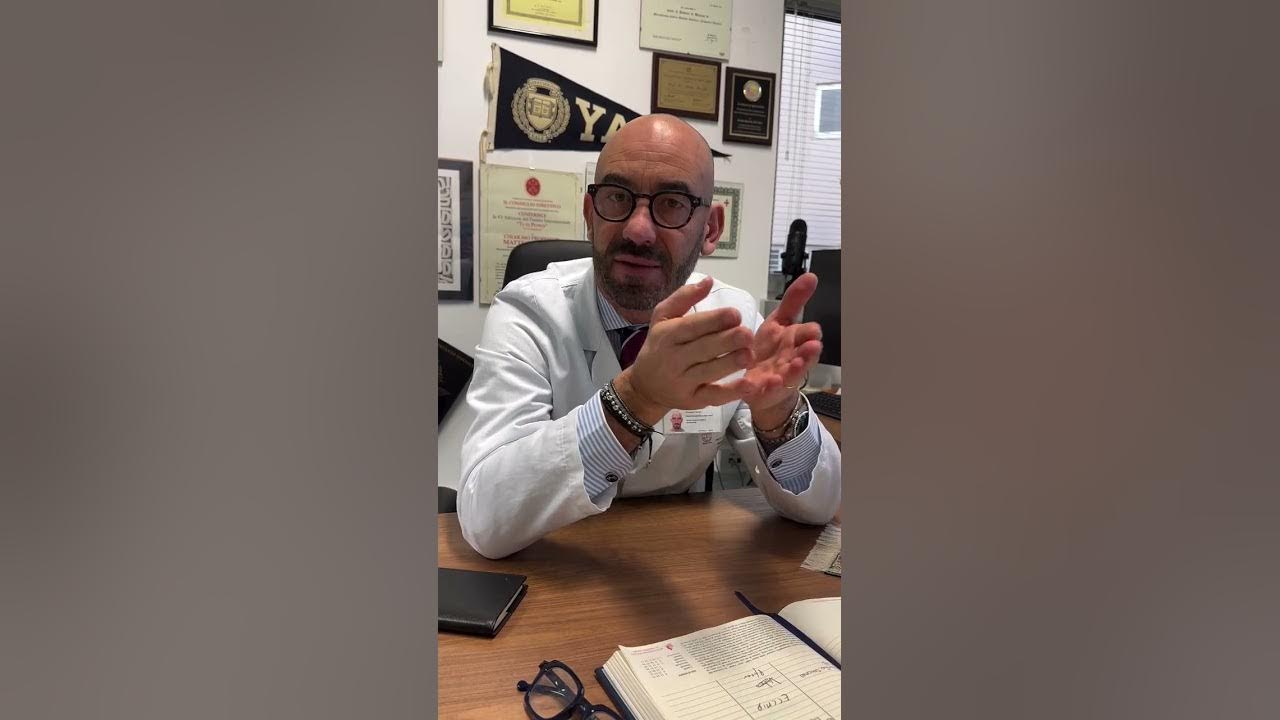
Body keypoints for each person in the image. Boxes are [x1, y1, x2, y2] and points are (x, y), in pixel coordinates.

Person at [457, 114, 840, 559]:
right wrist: (636, 399)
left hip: (673, 562)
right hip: (553, 562)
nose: (638, 230)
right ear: (590, 214)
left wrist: (777, 419)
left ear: (711, 229)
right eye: (617, 197)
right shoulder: (528, 311)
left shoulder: (732, 322)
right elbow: (485, 519)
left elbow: (820, 507)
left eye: (672, 203)